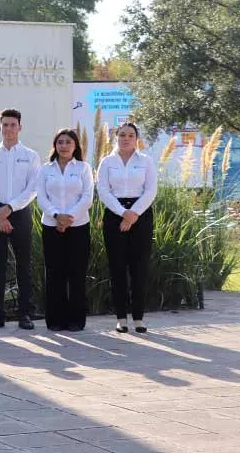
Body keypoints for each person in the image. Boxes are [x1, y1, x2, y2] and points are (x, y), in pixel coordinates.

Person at [0, 108, 41, 330]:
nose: (9, 129)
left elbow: (33, 188)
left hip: (20, 214)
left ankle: (25, 314)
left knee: (24, 265)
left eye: (13, 125)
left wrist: (11, 208)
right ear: (0, 128)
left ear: (20, 127)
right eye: (5, 125)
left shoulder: (31, 156)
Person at [96, 122, 157, 334]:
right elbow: (103, 191)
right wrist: (123, 213)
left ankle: (138, 318)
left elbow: (150, 190)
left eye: (131, 135)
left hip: (141, 214)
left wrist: (133, 214)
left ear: (136, 139)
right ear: (116, 137)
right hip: (115, 215)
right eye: (122, 135)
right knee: (117, 268)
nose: (126, 139)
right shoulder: (107, 162)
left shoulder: (146, 161)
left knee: (139, 268)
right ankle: (121, 318)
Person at [35, 129, 94, 331]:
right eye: (60, 142)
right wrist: (56, 216)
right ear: (55, 145)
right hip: (51, 226)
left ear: (75, 145)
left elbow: (87, 197)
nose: (64, 145)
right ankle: (55, 320)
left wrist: (69, 218)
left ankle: (76, 320)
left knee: (76, 273)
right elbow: (41, 197)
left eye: (68, 142)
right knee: (54, 274)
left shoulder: (84, 168)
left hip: (78, 226)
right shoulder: (45, 169)